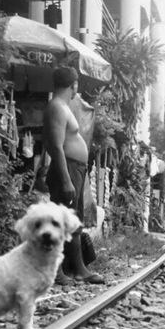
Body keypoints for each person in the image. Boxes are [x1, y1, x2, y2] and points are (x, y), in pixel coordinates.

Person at [43, 66, 105, 284]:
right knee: (61, 220)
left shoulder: (62, 106)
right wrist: (66, 179)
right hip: (67, 169)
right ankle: (56, 271)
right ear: (74, 85)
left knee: (74, 220)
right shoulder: (57, 108)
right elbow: (57, 147)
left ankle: (78, 268)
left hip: (74, 168)